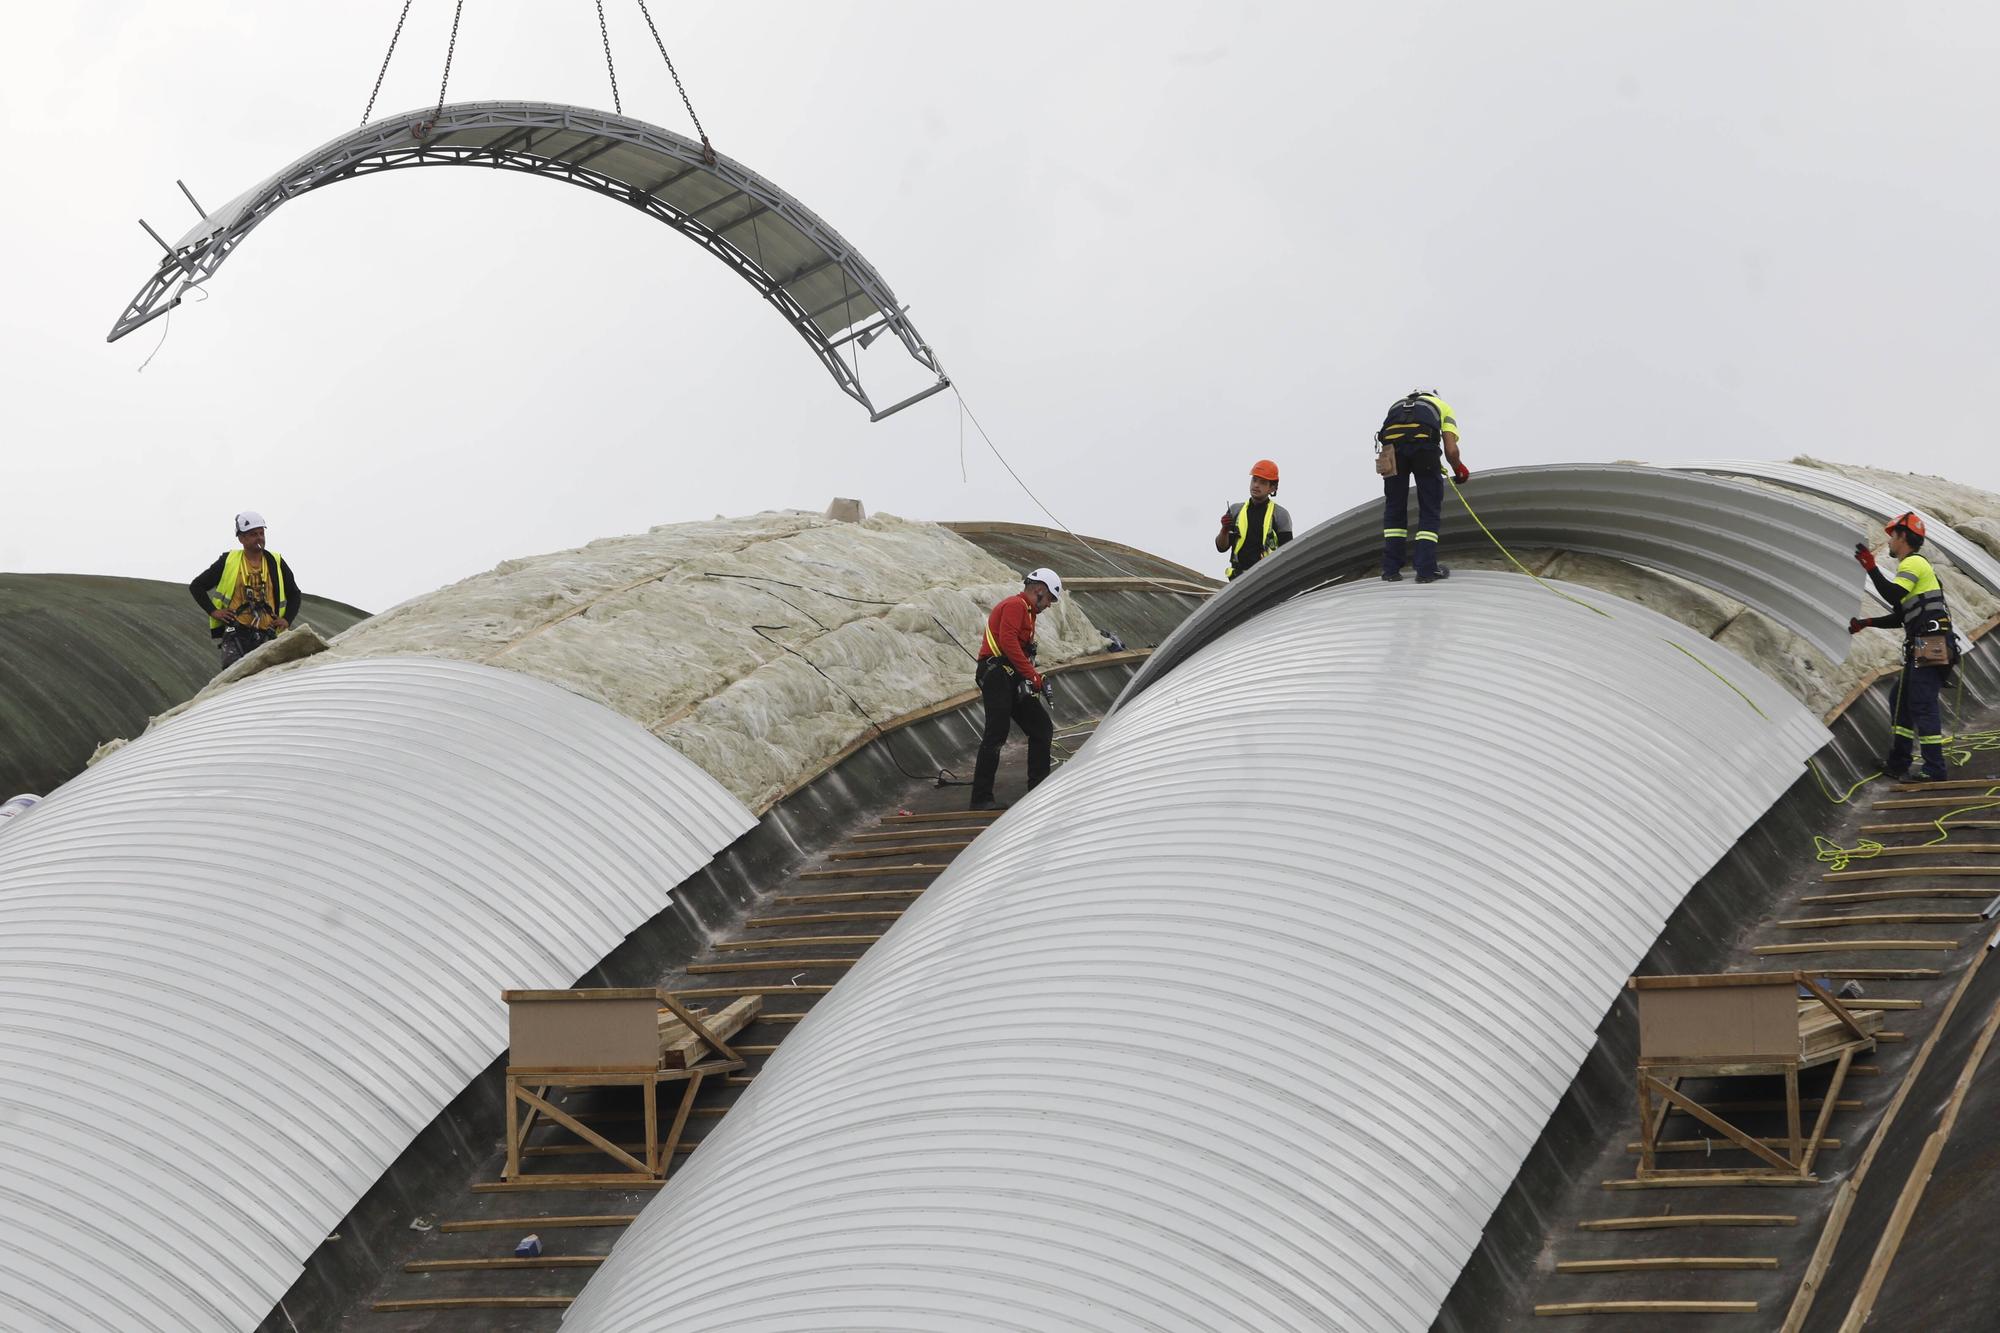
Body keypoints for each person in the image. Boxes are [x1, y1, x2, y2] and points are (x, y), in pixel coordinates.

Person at [1849, 512, 1956, 782]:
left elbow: (1893, 594)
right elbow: (1901, 614)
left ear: (1903, 536)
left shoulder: (1913, 563)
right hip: (1925, 643)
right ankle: (1898, 763)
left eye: (1892, 536)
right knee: (1900, 699)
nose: (1889, 542)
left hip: (1931, 643)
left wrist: (1871, 567)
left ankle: (1934, 769)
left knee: (1921, 703)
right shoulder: (1912, 568)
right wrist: (1868, 622)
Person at [969, 567, 1062, 811]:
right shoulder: (1015, 605)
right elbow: (1008, 643)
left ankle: (1038, 790)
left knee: (1041, 727)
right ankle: (980, 798)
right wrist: (1033, 676)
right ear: (1039, 590)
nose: (1049, 605)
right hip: (997, 674)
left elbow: (1019, 650)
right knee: (996, 733)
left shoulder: (1029, 614)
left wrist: (1029, 675)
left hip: (1011, 675)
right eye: (1050, 599)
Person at [1377, 389, 1470, 583]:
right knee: (1429, 508)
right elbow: (1451, 450)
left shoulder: (1397, 405)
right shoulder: (1442, 407)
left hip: (1392, 453)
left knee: (1394, 508)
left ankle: (1390, 570)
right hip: (1424, 451)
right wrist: (1458, 468)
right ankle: (1426, 570)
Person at [189, 511, 303, 669]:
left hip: (268, 633)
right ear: (241, 538)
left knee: (269, 677)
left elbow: (294, 594)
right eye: (253, 534)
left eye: (261, 533)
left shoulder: (276, 562)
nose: (259, 538)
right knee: (233, 673)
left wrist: (287, 620)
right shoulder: (229, 561)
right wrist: (214, 611)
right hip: (234, 630)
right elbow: (196, 586)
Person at [1215, 459, 1295, 580]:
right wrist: (1224, 530)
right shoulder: (1236, 510)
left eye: (1262, 482)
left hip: (1265, 580)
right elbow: (1221, 547)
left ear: (1272, 488)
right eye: (1254, 480)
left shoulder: (1280, 515)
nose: (1256, 485)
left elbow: (1288, 554)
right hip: (1237, 579)